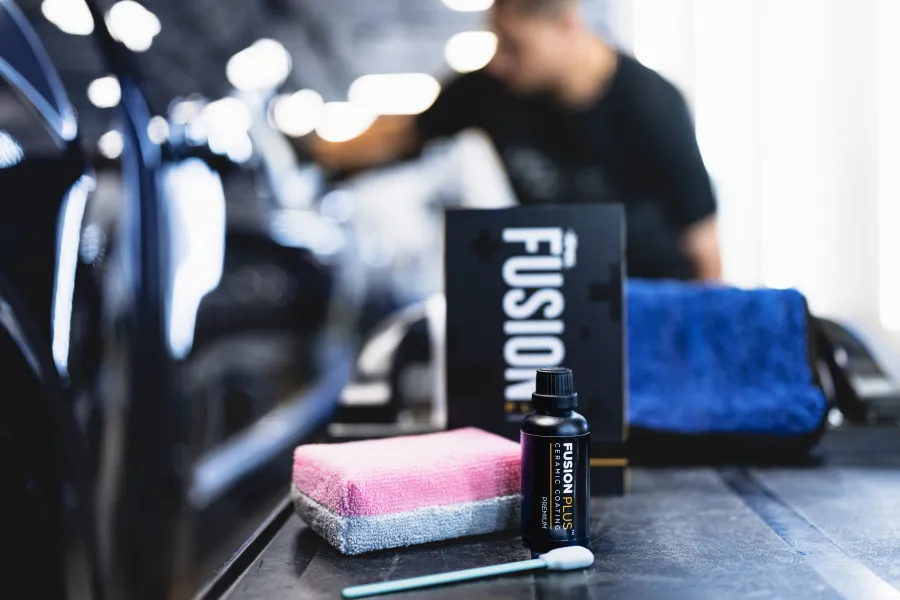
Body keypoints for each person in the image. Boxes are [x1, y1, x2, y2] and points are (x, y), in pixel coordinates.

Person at [313, 0, 722, 281]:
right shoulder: (492, 91)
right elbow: (398, 137)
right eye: (496, 42)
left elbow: (702, 243)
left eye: (515, 46)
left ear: (567, 24)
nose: (499, 62)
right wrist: (307, 148)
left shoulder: (652, 104)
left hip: (646, 301)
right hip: (557, 300)